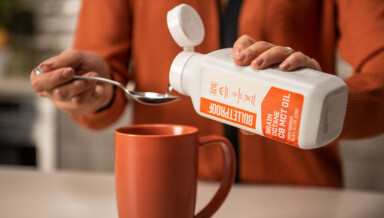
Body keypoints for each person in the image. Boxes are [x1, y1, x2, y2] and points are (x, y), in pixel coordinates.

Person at [30, 0, 384, 187]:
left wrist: (328, 104)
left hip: (302, 200)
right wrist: (94, 89)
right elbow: (105, 84)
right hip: (169, 196)